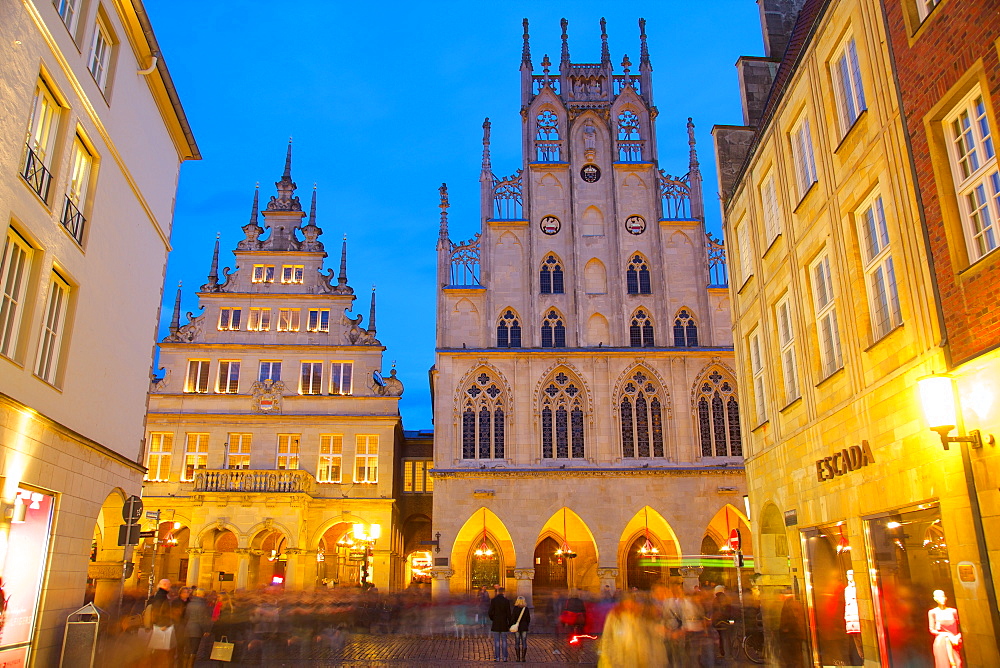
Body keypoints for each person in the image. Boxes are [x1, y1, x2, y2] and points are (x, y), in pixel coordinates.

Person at [928, 590, 962, 668]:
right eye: (939, 597)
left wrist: (957, 637)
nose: (941, 599)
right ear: (935, 599)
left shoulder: (953, 611)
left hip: (954, 641)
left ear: (946, 597)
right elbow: (932, 629)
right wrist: (947, 634)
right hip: (942, 641)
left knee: (958, 663)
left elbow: (962, 627)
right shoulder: (933, 612)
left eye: (942, 596)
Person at [488, 587, 512, 661]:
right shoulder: (506, 601)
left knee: (496, 641)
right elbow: (509, 613)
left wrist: (493, 619)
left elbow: (490, 612)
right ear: (504, 592)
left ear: (498, 592)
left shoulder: (493, 600)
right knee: (504, 641)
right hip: (504, 623)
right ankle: (505, 657)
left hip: (496, 623)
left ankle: (497, 657)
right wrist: (509, 623)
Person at [710, 585, 732, 659]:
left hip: (718, 622)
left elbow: (714, 611)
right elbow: (730, 610)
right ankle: (730, 654)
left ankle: (722, 653)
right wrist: (730, 621)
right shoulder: (727, 599)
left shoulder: (715, 600)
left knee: (721, 638)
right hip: (726, 621)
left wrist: (713, 621)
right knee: (727, 637)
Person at [510, 596, 531, 663]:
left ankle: (518, 658)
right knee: (524, 642)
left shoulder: (515, 608)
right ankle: (523, 658)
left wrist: (513, 624)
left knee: (517, 642)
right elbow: (528, 619)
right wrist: (526, 625)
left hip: (517, 627)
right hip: (524, 627)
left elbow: (513, 618)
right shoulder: (526, 609)